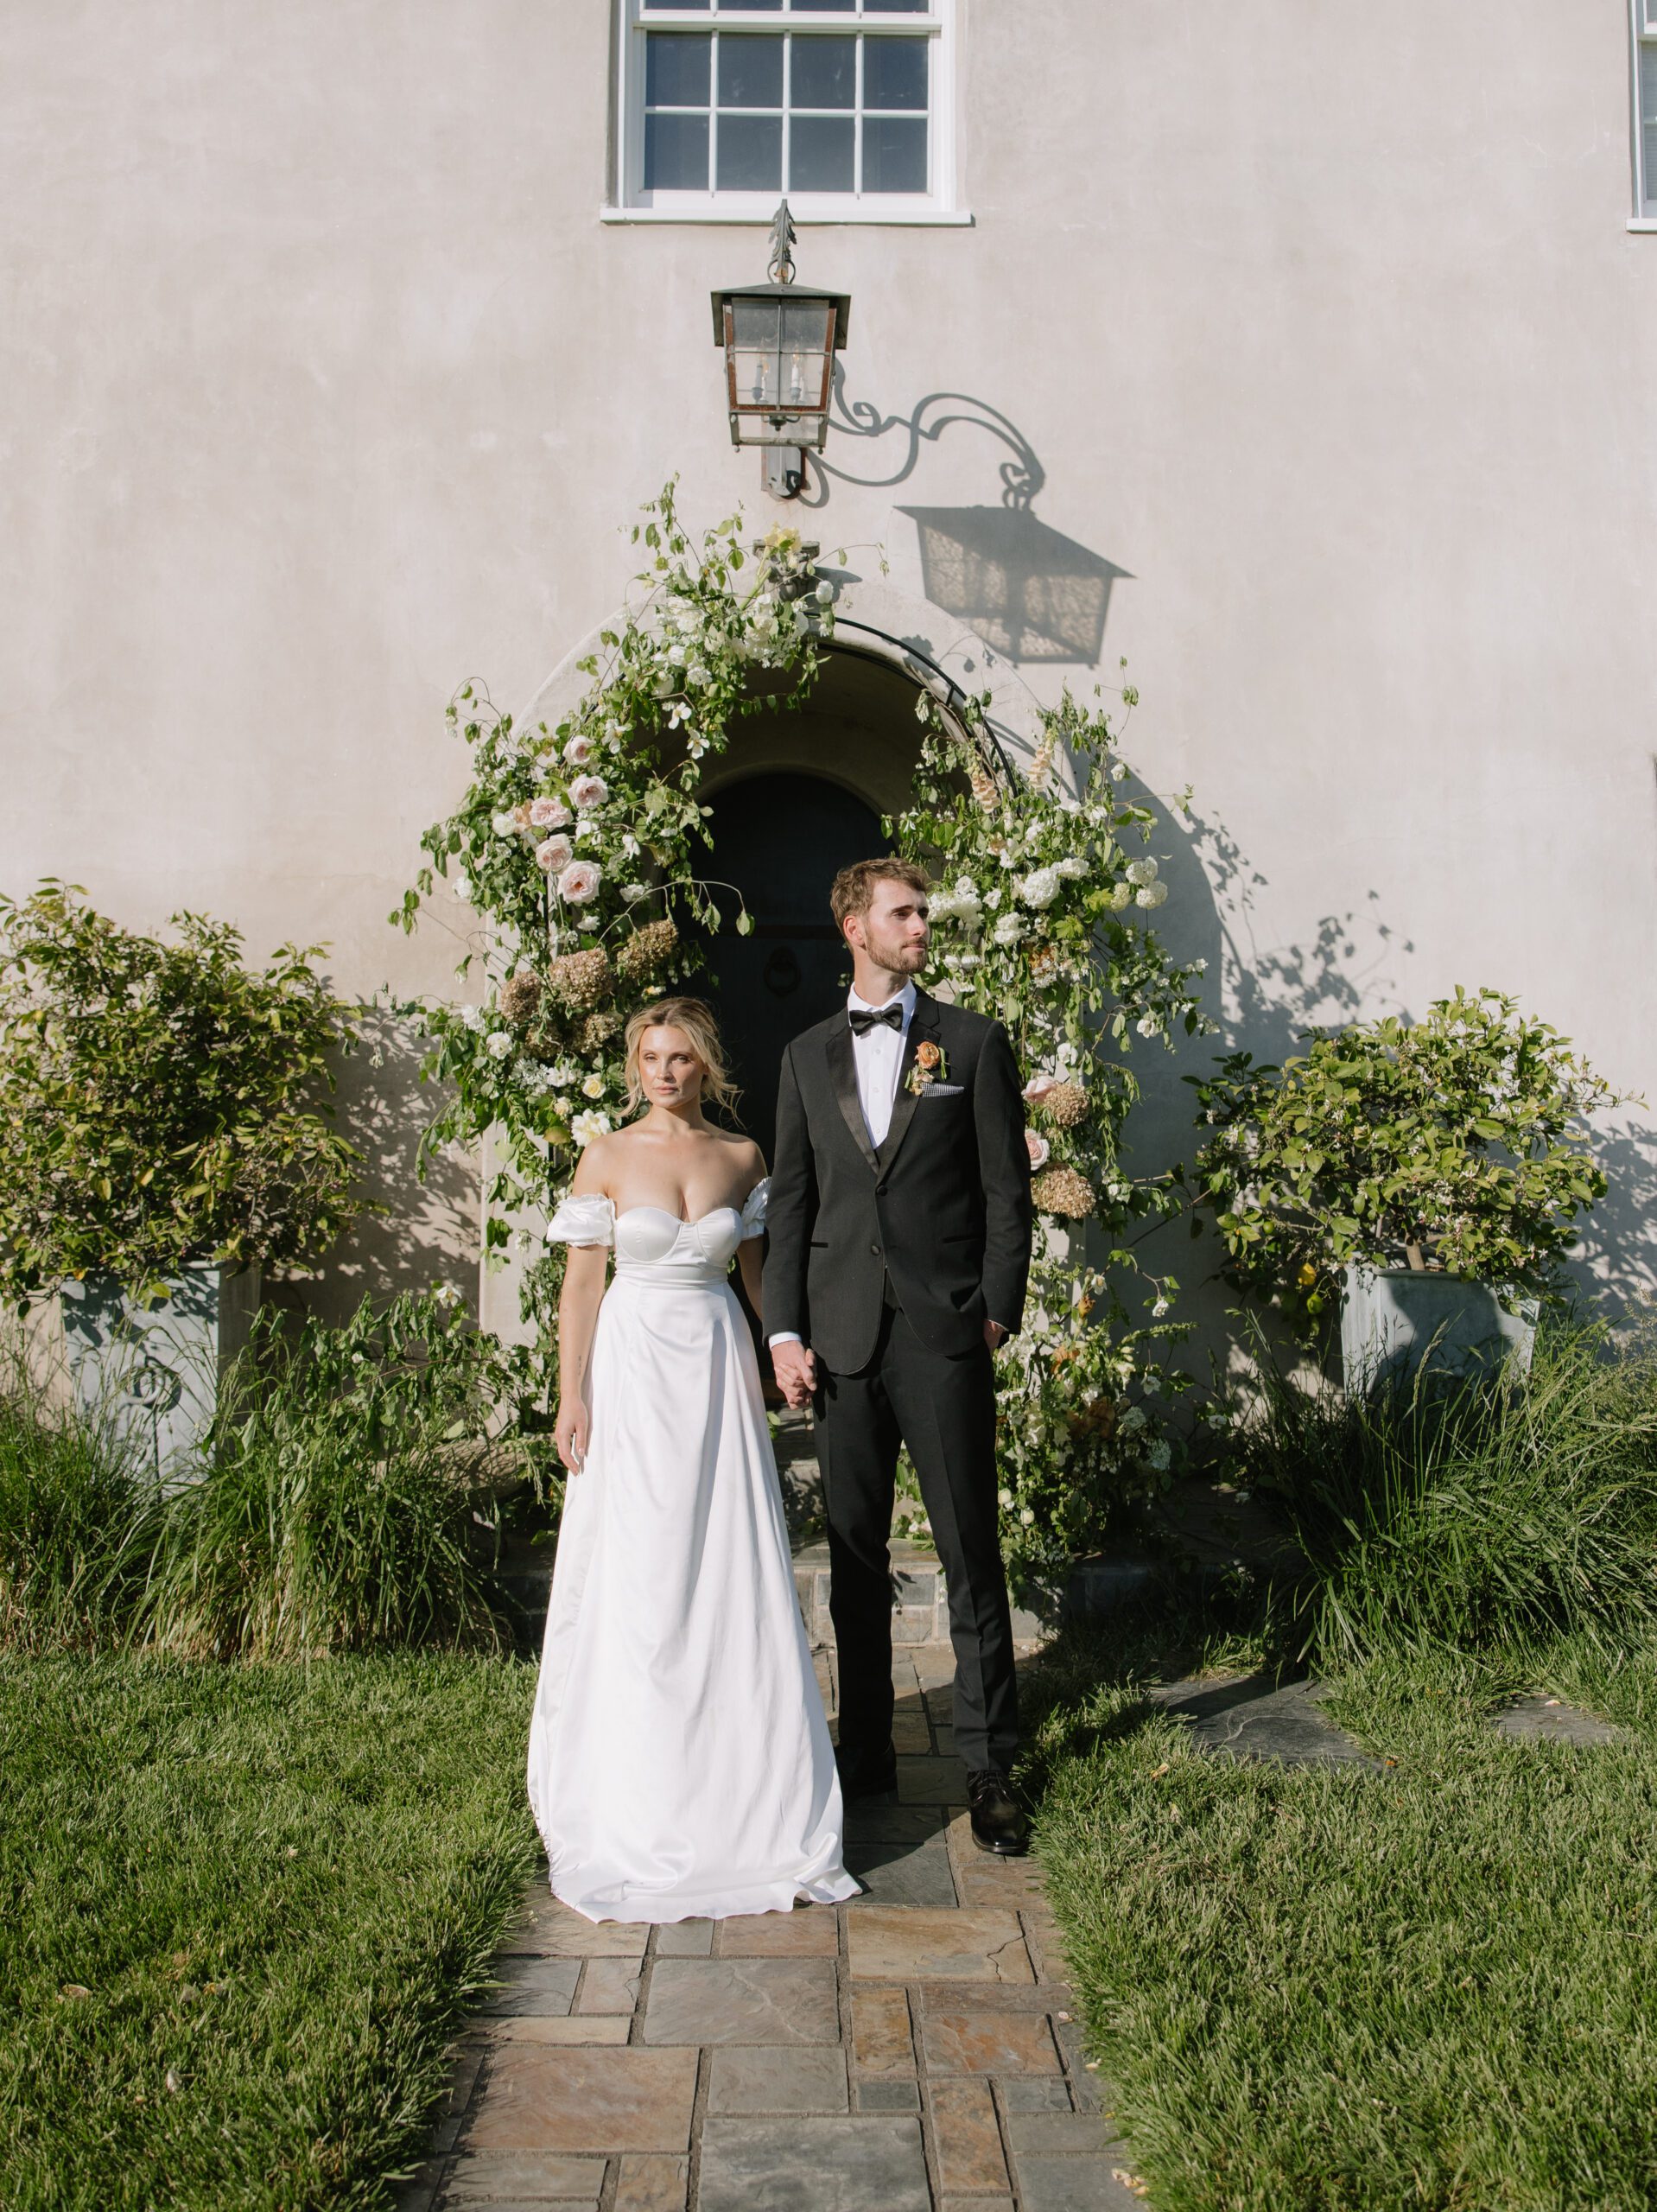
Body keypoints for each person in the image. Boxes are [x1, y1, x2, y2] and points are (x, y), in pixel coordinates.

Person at [526, 995, 857, 1923]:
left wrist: (782, 1350)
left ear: (704, 1064)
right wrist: (572, 1394)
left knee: (723, 1562)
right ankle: (637, 1790)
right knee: (642, 1564)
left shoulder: (742, 1157)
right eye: (650, 1058)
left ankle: (742, 1793)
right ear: (634, 1066)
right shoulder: (605, 1155)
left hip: (714, 1368)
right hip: (634, 1367)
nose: (664, 1073)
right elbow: (582, 1286)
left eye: (678, 1058)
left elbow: (757, 1276)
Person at [764, 859, 1035, 1855]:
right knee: (853, 1556)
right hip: (840, 1340)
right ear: (855, 927)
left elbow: (1006, 1193)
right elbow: (792, 1203)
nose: (921, 925)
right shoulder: (803, 1055)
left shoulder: (970, 1042)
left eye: (923, 912)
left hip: (942, 1334)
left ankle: (990, 1764)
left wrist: (992, 1312)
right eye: (904, 912)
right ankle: (865, 1754)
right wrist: (783, 1329)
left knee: (970, 1549)